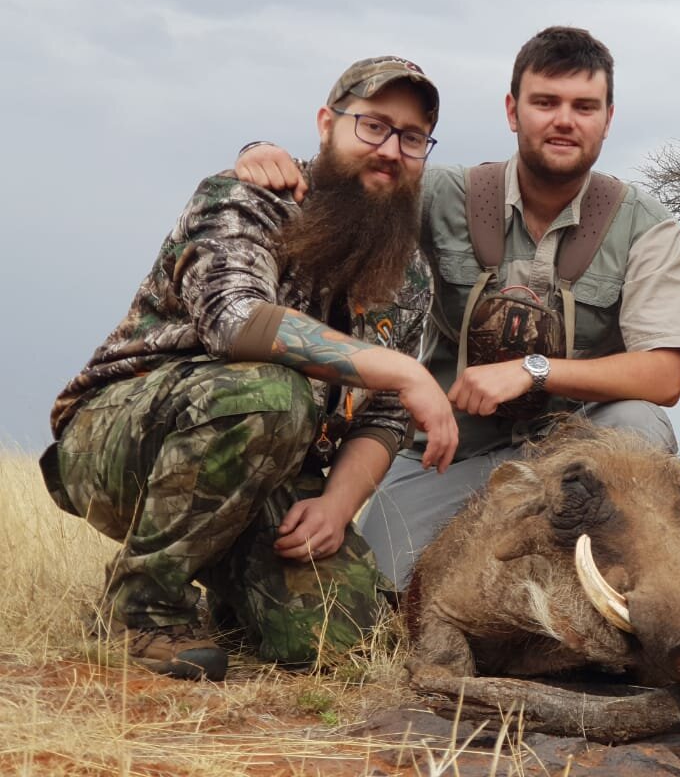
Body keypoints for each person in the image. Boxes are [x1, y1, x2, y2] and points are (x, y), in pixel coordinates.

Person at [42, 56, 459, 681]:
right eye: (373, 126)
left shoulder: (411, 271)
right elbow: (233, 318)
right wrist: (402, 369)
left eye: (412, 136)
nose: (391, 150)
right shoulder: (242, 197)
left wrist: (337, 506)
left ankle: (238, 599)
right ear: (327, 124)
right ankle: (140, 610)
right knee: (271, 392)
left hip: (267, 469)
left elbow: (387, 418)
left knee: (340, 639)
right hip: (122, 444)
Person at [235, 27, 680, 590]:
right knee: (379, 593)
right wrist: (262, 153)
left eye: (584, 106)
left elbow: (664, 376)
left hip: (580, 458)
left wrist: (531, 370)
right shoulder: (440, 192)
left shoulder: (646, 224)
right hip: (449, 454)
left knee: (640, 425)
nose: (564, 120)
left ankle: (615, 585)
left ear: (608, 117)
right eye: (545, 102)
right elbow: (354, 174)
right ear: (512, 110)